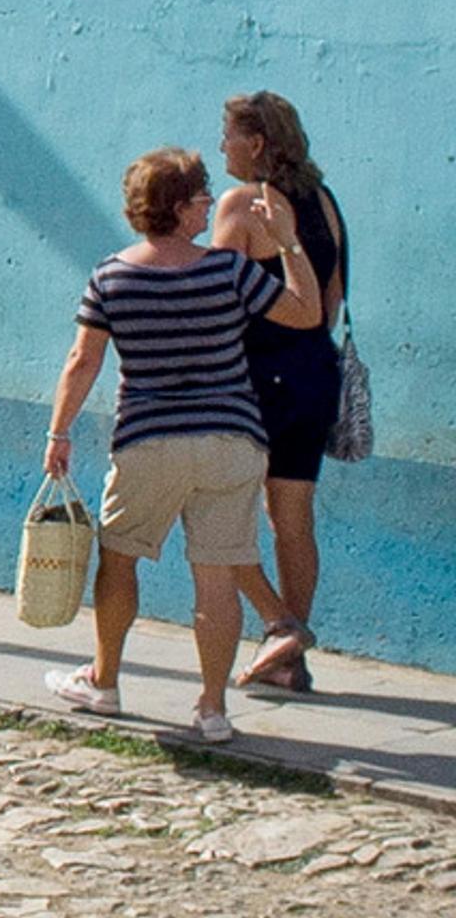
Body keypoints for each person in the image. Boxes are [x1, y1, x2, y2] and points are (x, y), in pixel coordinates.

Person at [42, 146, 320, 741]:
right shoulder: (227, 270)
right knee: (216, 578)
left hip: (149, 441)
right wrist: (288, 244)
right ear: (176, 206)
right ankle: (212, 709)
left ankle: (105, 680)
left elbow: (82, 360)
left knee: (120, 558)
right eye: (199, 196)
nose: (207, 205)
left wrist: (59, 431)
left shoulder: (110, 275)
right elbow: (305, 313)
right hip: (231, 441)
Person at [215, 91, 351, 693]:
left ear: (258, 143)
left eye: (229, 135)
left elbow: (214, 300)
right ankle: (291, 655)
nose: (222, 146)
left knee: (213, 507)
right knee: (293, 518)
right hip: (315, 370)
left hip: (256, 373)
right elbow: (333, 297)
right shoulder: (324, 202)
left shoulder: (244, 204)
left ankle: (277, 626)